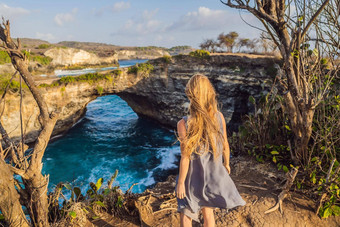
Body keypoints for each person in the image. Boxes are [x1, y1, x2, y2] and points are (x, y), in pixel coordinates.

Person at [175, 74, 246, 227]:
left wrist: (181, 182)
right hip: (211, 178)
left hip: (191, 179)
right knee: (208, 213)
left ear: (190, 94)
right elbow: (225, 144)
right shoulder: (219, 117)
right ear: (210, 93)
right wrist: (226, 164)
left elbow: (185, 157)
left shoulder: (184, 124)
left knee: (186, 214)